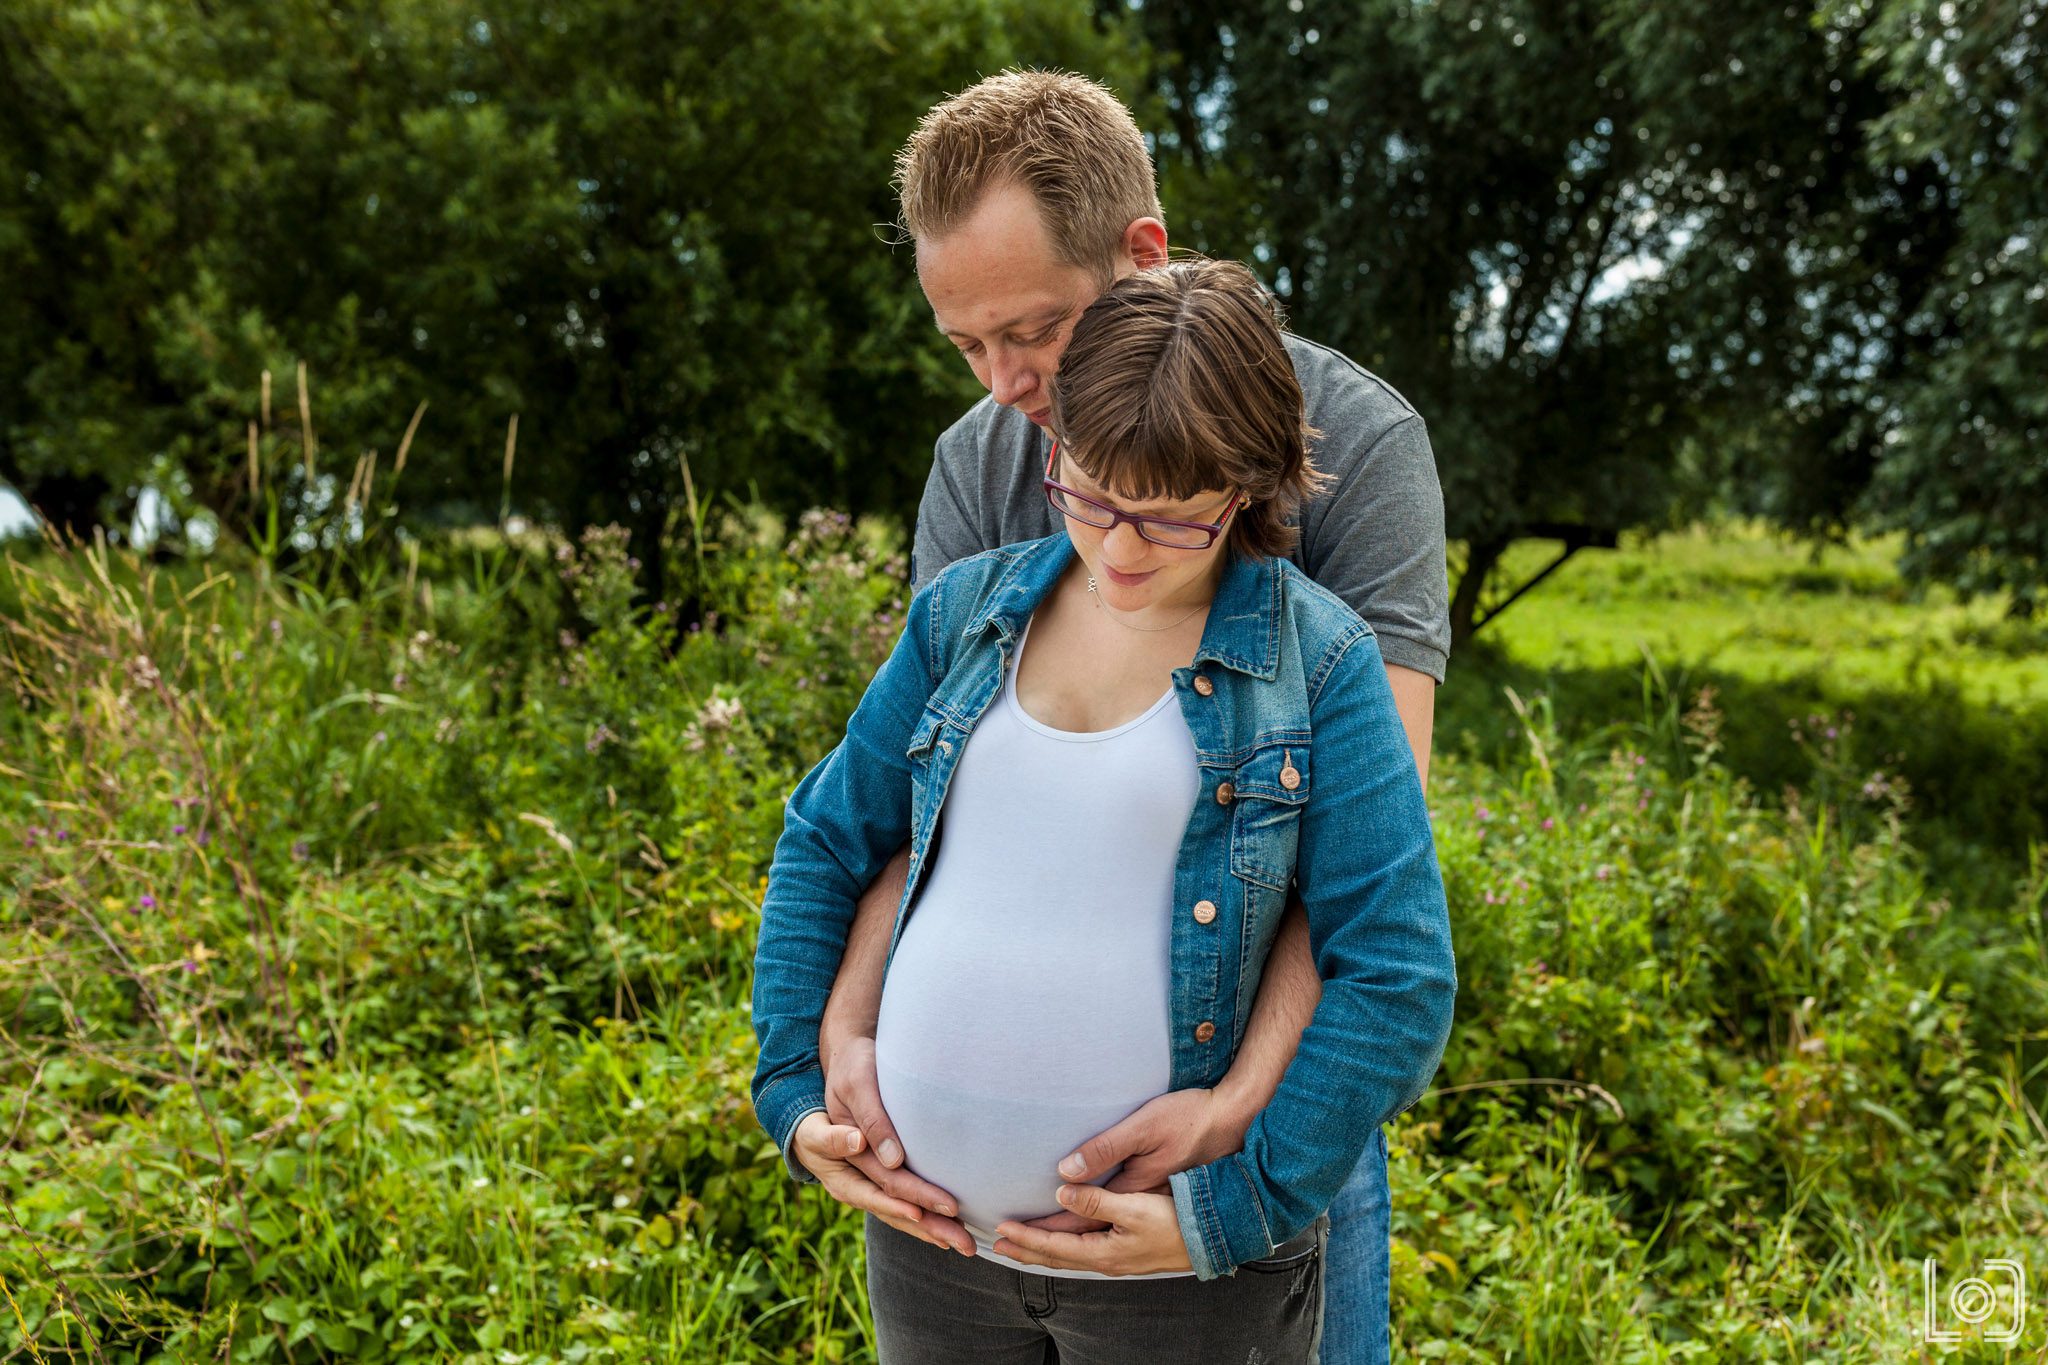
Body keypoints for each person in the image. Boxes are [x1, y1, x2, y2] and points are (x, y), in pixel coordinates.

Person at [802, 71, 1451, 1364]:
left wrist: (1231, 1147)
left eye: (1031, 330)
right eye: (965, 344)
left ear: (1141, 254)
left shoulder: (1363, 447)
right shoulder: (982, 462)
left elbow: (1367, 879)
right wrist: (843, 1041)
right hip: (964, 1253)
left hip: (1264, 1137)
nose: (1003, 384)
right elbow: (919, 812)